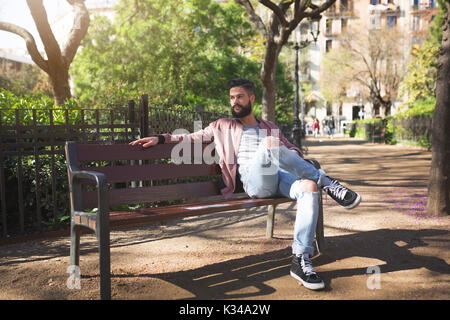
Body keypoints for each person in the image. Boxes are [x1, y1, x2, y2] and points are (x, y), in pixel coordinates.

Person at [130, 78, 361, 291]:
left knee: (309, 187)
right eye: (231, 98)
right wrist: (161, 138)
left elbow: (291, 150)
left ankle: (300, 259)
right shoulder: (222, 125)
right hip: (254, 182)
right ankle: (328, 183)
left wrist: (291, 153)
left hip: (279, 177)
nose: (234, 102)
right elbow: (191, 137)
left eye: (239, 97)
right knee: (272, 145)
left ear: (251, 98)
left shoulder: (269, 126)